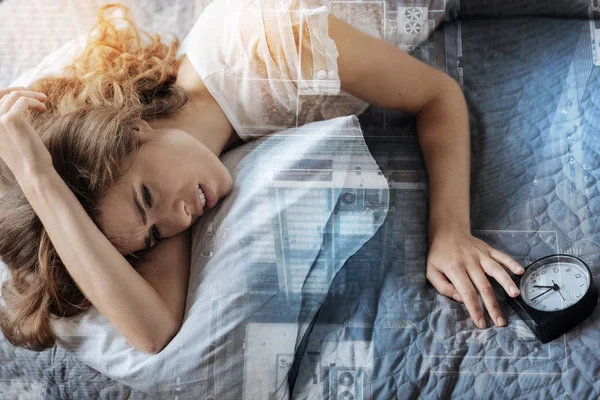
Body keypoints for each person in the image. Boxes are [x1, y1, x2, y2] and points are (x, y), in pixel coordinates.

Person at [0, 2, 525, 354]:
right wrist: (39, 182)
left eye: (147, 200)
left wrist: (450, 230)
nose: (179, 220)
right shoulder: (167, 179)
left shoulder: (268, 48)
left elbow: (437, 95)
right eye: (154, 234)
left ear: (131, 129)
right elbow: (153, 330)